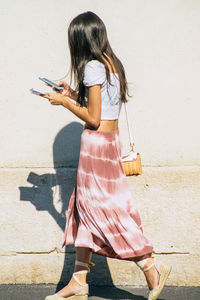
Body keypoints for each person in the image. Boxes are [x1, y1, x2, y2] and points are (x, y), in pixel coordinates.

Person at [43, 11, 171, 300]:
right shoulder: (111, 63)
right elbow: (103, 108)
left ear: (80, 39)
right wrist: (73, 93)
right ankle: (78, 281)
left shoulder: (91, 67)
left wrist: (63, 101)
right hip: (110, 143)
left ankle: (151, 265)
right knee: (85, 210)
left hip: (96, 145)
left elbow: (94, 117)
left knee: (103, 210)